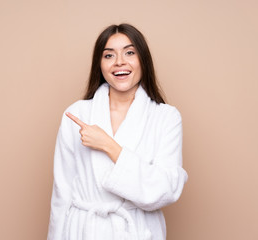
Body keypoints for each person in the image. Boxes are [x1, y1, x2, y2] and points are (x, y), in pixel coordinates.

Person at [47, 23, 188, 240]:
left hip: (136, 230)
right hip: (84, 231)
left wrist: (108, 145)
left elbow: (165, 189)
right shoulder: (77, 114)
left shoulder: (166, 117)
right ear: (100, 65)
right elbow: (62, 193)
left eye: (129, 53)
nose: (120, 62)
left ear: (143, 60)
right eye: (109, 55)